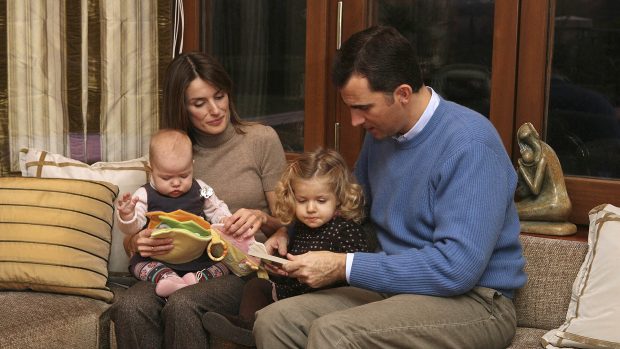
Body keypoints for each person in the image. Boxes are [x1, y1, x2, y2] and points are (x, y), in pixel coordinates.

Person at [254, 25, 527, 349]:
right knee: (274, 322)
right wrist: (288, 231)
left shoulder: (470, 144)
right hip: (394, 288)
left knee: (334, 333)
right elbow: (350, 209)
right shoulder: (382, 136)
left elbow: (457, 268)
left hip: (477, 302)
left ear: (402, 94)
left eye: (363, 108)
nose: (355, 121)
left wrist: (344, 266)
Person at [109, 52, 287, 349]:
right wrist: (138, 242)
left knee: (182, 303)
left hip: (236, 267)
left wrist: (262, 218)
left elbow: (289, 224)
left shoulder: (261, 140)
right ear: (182, 107)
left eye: (220, 96)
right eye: (199, 103)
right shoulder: (171, 155)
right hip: (171, 265)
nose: (216, 110)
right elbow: (139, 227)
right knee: (129, 306)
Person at [201, 148, 372, 346]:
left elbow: (355, 273)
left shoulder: (347, 230)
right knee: (256, 286)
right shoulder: (298, 228)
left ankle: (249, 332)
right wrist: (279, 269)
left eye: (321, 200)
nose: (310, 208)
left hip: (325, 298)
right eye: (302, 201)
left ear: (339, 198)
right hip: (292, 291)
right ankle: (246, 327)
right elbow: (290, 261)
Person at [115, 129, 232, 298]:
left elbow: (216, 207)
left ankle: (196, 279)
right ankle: (168, 278)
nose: (176, 183)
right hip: (159, 260)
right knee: (138, 266)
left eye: (184, 175)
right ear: (151, 170)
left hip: (199, 259)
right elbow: (134, 227)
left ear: (192, 165)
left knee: (225, 265)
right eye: (166, 178)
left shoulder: (202, 188)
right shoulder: (143, 194)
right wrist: (127, 216)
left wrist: (225, 219)